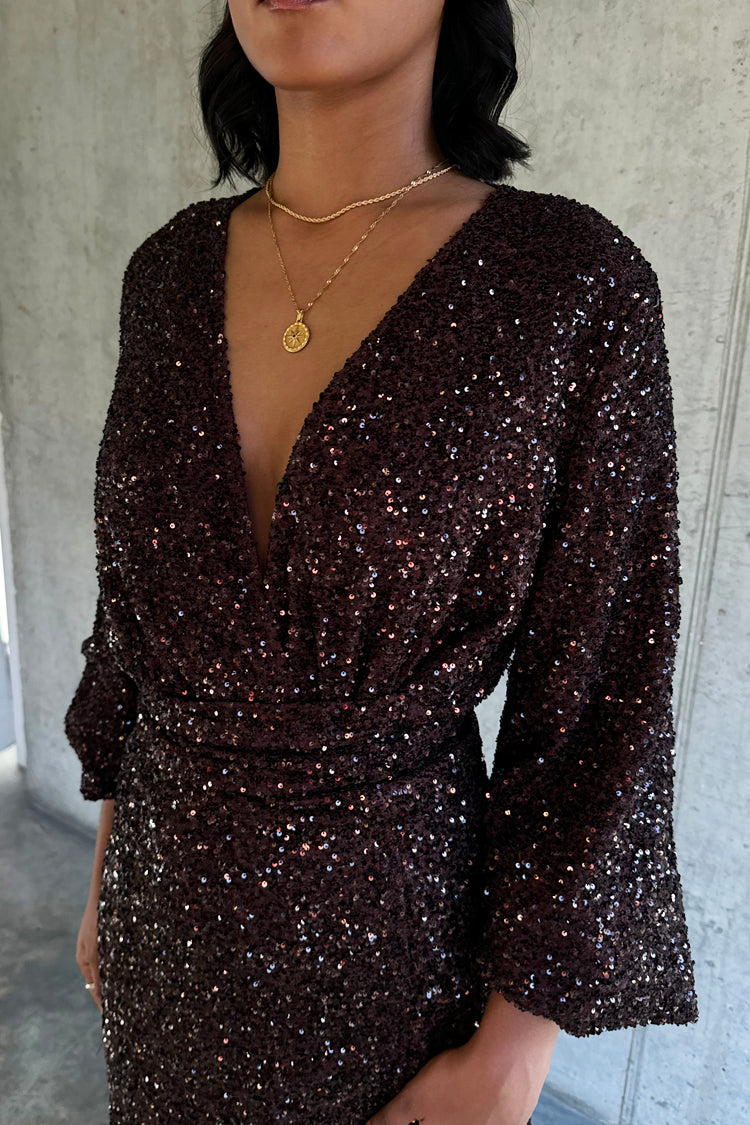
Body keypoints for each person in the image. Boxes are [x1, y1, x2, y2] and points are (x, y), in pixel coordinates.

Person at [65, 1, 699, 1122]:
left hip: (393, 968)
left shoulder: (568, 284)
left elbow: (603, 695)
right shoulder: (166, 271)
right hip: (161, 934)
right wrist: (105, 872)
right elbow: (131, 627)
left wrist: (513, 1056)